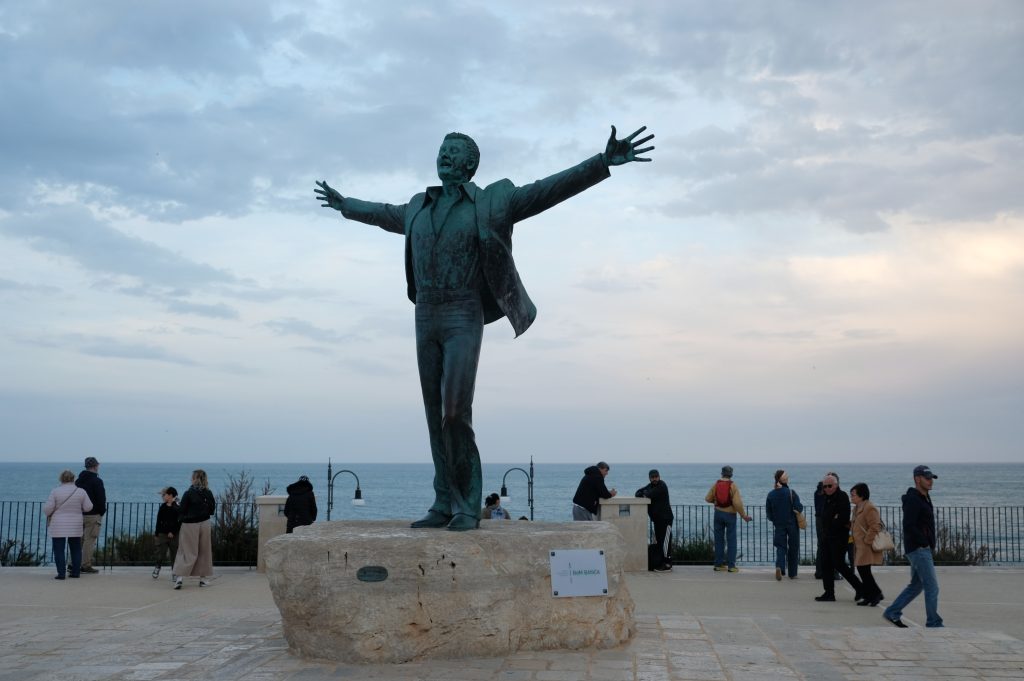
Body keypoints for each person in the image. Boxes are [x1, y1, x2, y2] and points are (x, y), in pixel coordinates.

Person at [315, 126, 653, 531]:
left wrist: (600, 163)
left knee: (455, 412)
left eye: (454, 151)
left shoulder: (493, 201)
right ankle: (444, 501)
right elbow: (382, 214)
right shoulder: (418, 206)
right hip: (425, 314)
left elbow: (546, 191)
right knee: (433, 413)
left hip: (463, 312)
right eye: (442, 149)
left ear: (471, 164)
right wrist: (344, 204)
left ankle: (467, 503)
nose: (444, 155)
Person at [884, 465, 944, 628]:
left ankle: (892, 612)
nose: (931, 481)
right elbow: (909, 524)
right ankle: (933, 622)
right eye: (927, 478)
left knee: (916, 586)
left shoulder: (924, 497)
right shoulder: (913, 499)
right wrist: (924, 542)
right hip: (919, 549)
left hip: (921, 548)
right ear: (917, 479)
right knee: (932, 587)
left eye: (932, 478)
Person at [814, 473, 865, 602]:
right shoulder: (826, 497)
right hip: (827, 536)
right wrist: (831, 520)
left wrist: (832, 521)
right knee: (826, 565)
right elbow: (824, 516)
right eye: (824, 486)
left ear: (836, 485)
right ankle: (829, 593)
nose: (827, 488)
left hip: (838, 537)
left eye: (829, 486)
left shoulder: (842, 497)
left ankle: (860, 588)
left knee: (840, 565)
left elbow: (842, 518)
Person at [44, 470, 93, 579]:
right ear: (73, 478)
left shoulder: (55, 491)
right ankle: (75, 573)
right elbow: (88, 507)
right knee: (76, 549)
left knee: (59, 549)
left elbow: (47, 510)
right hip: (75, 524)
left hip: (58, 525)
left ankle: (61, 574)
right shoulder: (81, 491)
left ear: (61, 479)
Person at [173, 469, 216, 590]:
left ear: (194, 478)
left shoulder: (188, 493)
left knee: (186, 551)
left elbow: (182, 510)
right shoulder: (208, 493)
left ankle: (179, 578)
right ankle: (203, 579)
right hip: (205, 523)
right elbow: (212, 510)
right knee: (204, 551)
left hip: (189, 524)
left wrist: (177, 503)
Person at [705, 465, 752, 573]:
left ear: (722, 473)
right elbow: (737, 503)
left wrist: (717, 503)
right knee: (731, 540)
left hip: (718, 514)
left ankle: (718, 564)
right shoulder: (733, 485)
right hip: (730, 515)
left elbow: (707, 498)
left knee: (718, 540)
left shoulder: (716, 484)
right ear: (731, 474)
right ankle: (731, 566)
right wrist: (743, 515)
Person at [850, 482, 884, 606]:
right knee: (863, 571)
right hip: (859, 545)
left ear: (862, 495)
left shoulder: (869, 507)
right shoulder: (856, 508)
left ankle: (875, 594)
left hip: (866, 546)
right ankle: (871, 595)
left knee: (864, 571)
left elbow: (875, 526)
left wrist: (867, 540)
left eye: (853, 495)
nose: (851, 497)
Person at [765, 469, 803, 581]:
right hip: (792, 524)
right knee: (793, 547)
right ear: (785, 480)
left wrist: (775, 520)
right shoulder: (791, 492)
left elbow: (769, 513)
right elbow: (798, 508)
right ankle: (793, 573)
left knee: (781, 547)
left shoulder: (771, 494)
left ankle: (779, 567)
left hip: (779, 524)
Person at [635, 469, 673, 571]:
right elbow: (637, 493)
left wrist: (646, 493)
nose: (655, 479)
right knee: (660, 541)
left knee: (666, 541)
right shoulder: (650, 486)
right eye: (652, 477)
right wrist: (645, 493)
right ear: (650, 478)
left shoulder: (662, 485)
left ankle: (667, 564)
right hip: (657, 519)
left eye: (656, 477)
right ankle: (662, 562)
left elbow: (649, 494)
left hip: (666, 518)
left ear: (659, 477)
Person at [75, 456, 105, 574]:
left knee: (77, 540)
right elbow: (101, 499)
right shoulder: (97, 481)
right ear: (95, 466)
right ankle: (85, 565)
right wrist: (101, 512)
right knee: (90, 540)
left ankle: (73, 563)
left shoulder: (78, 481)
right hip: (93, 515)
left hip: (79, 513)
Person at [153, 486, 181, 580]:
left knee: (174, 554)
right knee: (160, 553)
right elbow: (159, 520)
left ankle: (175, 572)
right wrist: (157, 533)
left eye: (164, 495)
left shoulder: (177, 507)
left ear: (170, 495)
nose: (162, 497)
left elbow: (179, 521)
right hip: (162, 534)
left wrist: (172, 532)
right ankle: (157, 567)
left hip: (174, 535)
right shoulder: (163, 507)